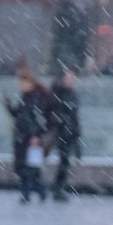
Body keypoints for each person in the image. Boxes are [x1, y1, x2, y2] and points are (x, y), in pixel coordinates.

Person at [4, 71, 49, 204]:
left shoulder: (35, 99)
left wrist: (36, 136)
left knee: (29, 169)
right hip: (21, 138)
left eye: (24, 83)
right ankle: (37, 191)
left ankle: (28, 193)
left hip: (29, 139)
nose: (22, 85)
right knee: (28, 168)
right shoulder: (24, 98)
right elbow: (17, 114)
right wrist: (8, 105)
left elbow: (40, 120)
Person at [47, 69, 81, 202]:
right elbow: (52, 112)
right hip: (60, 132)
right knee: (64, 160)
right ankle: (56, 188)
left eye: (72, 78)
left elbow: (75, 116)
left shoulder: (72, 94)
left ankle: (58, 187)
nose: (71, 81)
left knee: (65, 162)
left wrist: (76, 134)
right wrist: (62, 121)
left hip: (69, 132)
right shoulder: (58, 93)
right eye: (69, 78)